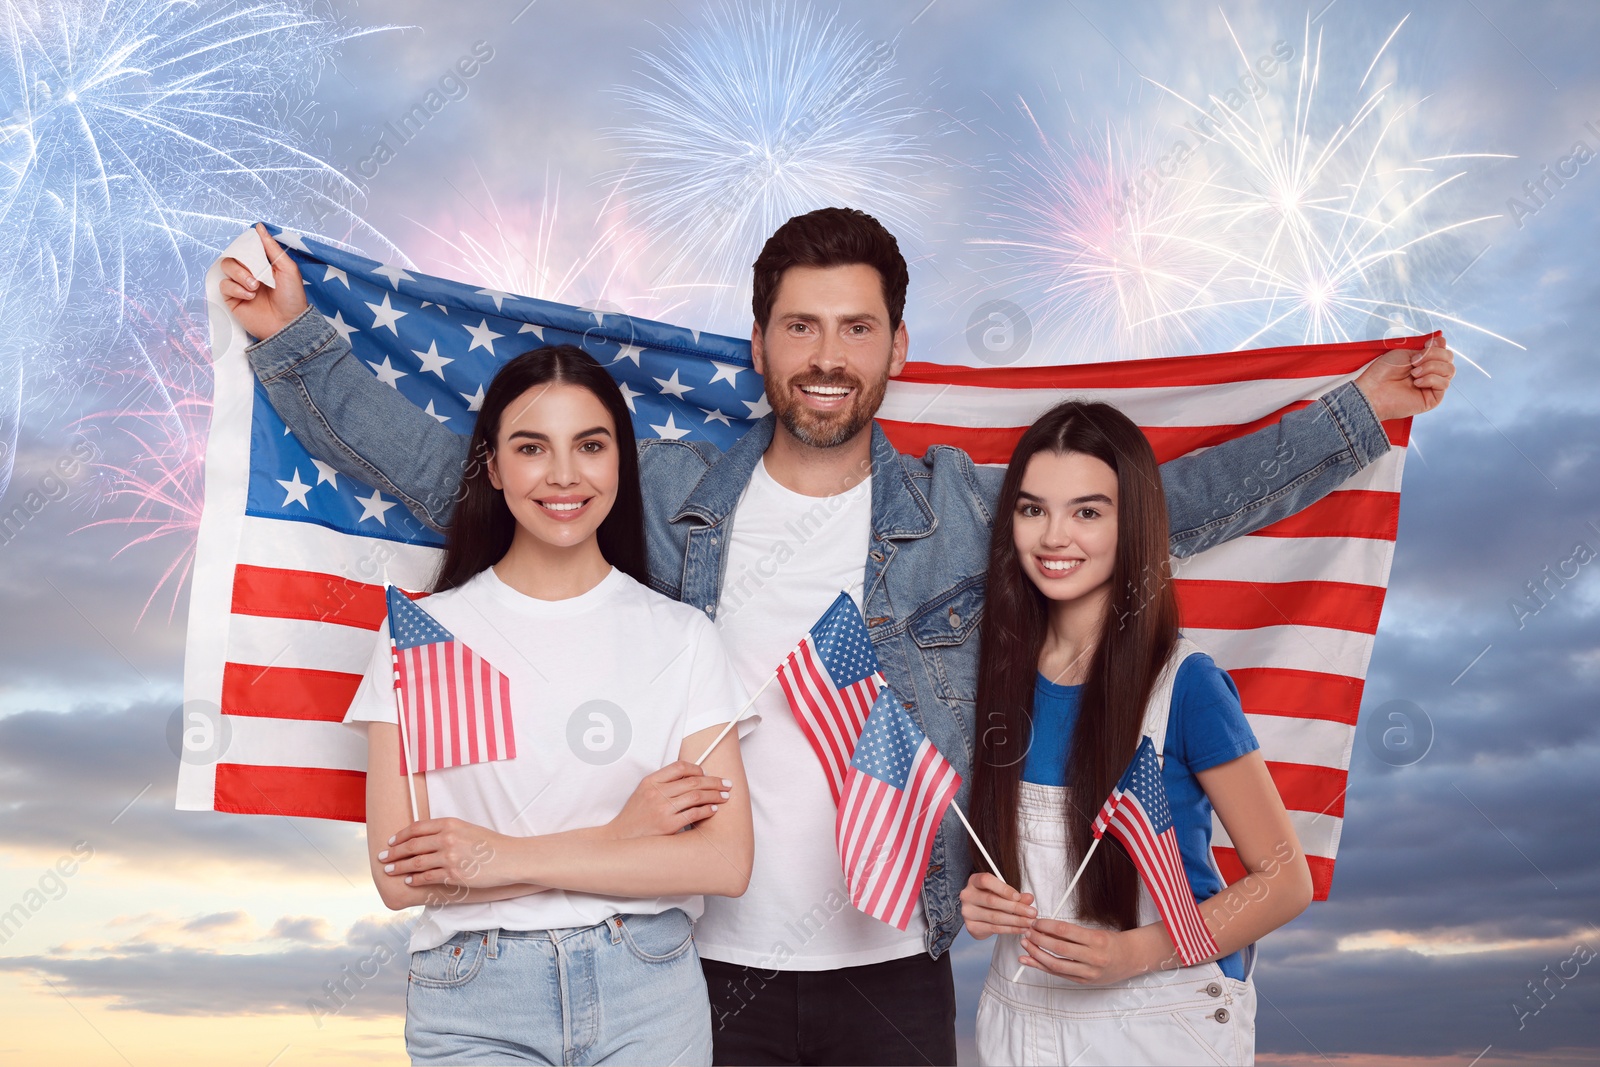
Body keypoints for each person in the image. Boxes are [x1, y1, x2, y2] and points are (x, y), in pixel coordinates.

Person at [219, 208, 1454, 1065]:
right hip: (690, 970)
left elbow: (1150, 513)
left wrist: (1358, 417)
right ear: (759, 344)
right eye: (800, 327)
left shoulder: (965, 507)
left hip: (891, 962)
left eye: (854, 328)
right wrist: (294, 341)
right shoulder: (674, 494)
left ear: (895, 349)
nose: (825, 356)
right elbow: (469, 480)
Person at [343, 343, 756, 1065]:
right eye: (533, 447)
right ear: (494, 467)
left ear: (619, 463)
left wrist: (493, 856)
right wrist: (623, 835)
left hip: (647, 988)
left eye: (589, 445)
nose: (564, 474)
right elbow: (399, 878)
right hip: (472, 996)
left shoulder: (683, 637)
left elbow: (724, 861)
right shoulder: (422, 635)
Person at [960, 400, 1310, 1065]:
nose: (1054, 536)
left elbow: (1286, 880)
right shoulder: (988, 676)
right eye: (1033, 509)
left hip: (1160, 1019)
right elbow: (994, 855)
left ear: (1134, 523)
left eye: (1087, 511)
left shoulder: (1187, 684)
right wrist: (980, 895)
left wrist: (1134, 952)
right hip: (1020, 1017)